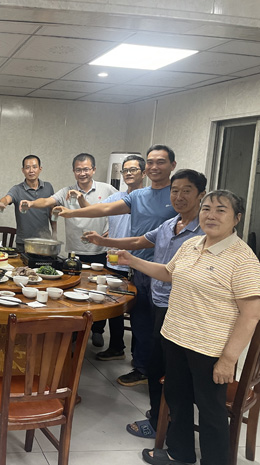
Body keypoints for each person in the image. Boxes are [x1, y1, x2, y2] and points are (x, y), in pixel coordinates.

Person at [113, 190, 260, 465]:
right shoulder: (192, 244)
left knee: (210, 410)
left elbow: (251, 315)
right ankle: (179, 453)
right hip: (175, 337)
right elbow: (168, 273)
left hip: (210, 348)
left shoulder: (243, 259)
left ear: (237, 218)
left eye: (221, 210)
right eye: (206, 209)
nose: (211, 215)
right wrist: (132, 261)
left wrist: (228, 359)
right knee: (177, 397)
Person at [84, 169, 206, 440]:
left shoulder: (204, 232)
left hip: (182, 308)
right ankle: (159, 419)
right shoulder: (170, 224)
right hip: (160, 301)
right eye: (175, 191)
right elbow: (140, 241)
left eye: (187, 191)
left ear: (201, 195)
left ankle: (169, 426)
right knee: (156, 363)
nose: (179, 196)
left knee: (172, 370)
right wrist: (104, 241)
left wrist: (131, 260)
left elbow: (174, 273)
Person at [56, 144, 178, 386]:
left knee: (162, 329)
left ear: (172, 165)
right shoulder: (137, 196)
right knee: (141, 321)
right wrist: (71, 213)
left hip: (168, 271)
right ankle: (142, 368)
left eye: (160, 162)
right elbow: (106, 209)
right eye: (150, 162)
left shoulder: (176, 195)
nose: (154, 167)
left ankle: (162, 377)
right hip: (138, 266)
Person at [90, 154, 145, 354]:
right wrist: (78, 202)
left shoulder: (147, 199)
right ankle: (116, 347)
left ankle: (139, 358)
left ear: (143, 173)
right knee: (114, 305)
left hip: (138, 262)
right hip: (114, 260)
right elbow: (96, 210)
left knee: (139, 313)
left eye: (133, 169)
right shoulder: (116, 198)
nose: (128, 173)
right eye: (125, 170)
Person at [22, 152, 117, 264]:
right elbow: (47, 201)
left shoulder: (107, 189)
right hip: (75, 250)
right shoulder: (66, 192)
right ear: (73, 171)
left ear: (93, 170)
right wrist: (31, 203)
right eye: (78, 170)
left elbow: (124, 207)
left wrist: (114, 229)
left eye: (86, 169)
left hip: (101, 249)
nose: (82, 173)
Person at [0, 155, 55, 252]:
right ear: (23, 170)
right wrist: (2, 203)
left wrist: (54, 233)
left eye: (34, 167)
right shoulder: (17, 189)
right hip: (23, 242)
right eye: (27, 167)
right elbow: (6, 198)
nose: (31, 170)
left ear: (40, 169)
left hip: (44, 241)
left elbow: (52, 211)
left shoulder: (48, 187)